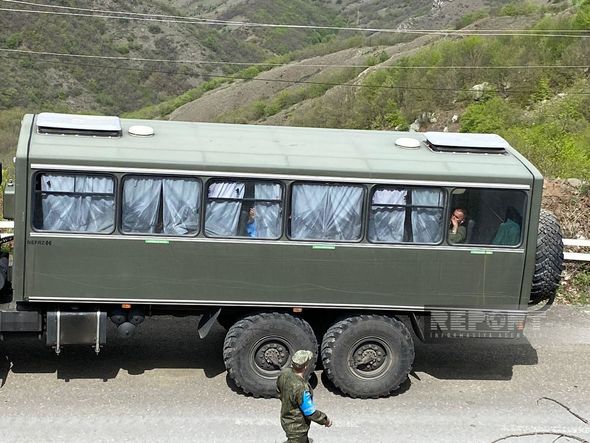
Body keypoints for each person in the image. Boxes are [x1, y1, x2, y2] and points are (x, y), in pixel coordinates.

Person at [277, 350, 332, 443]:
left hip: (286, 419)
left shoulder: (284, 373)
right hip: (297, 428)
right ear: (305, 366)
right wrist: (325, 420)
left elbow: (279, 391)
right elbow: (310, 412)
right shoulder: (301, 387)